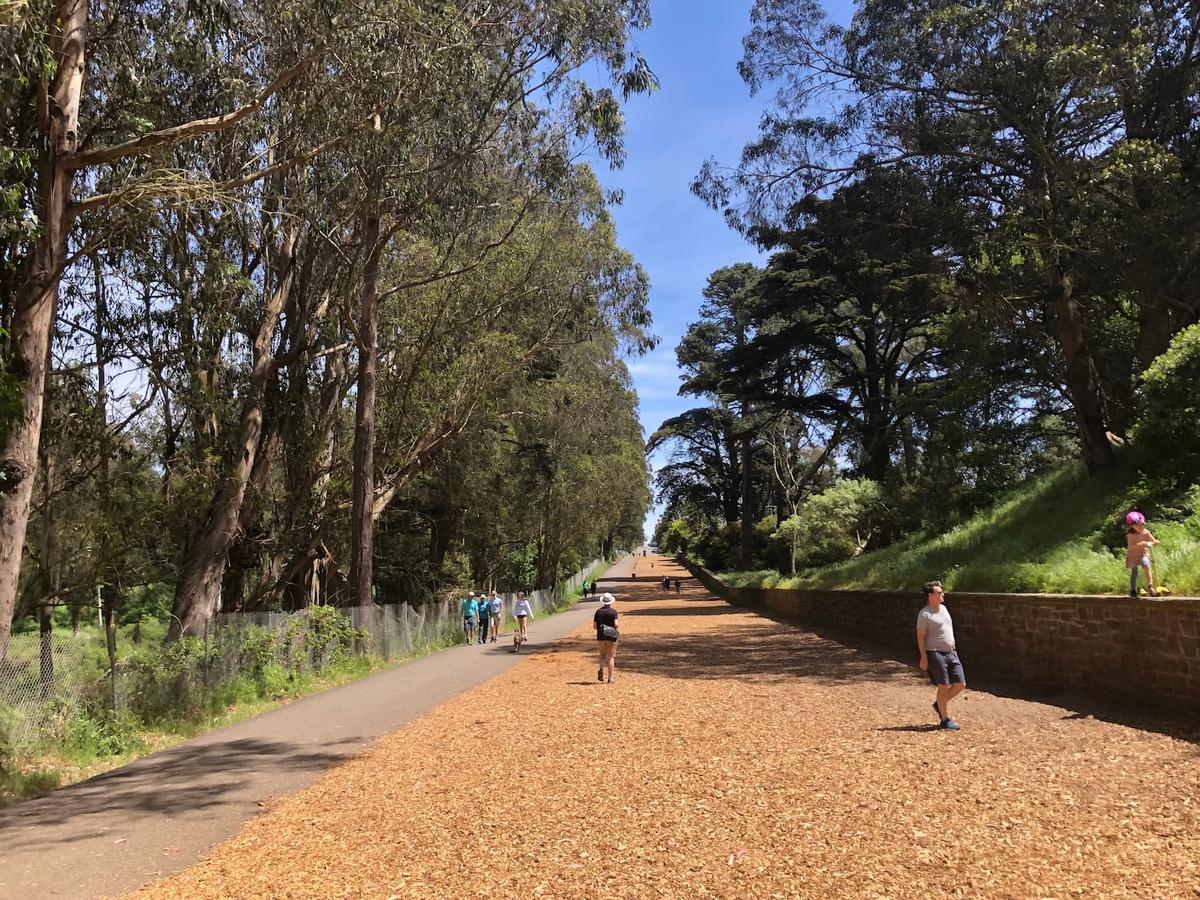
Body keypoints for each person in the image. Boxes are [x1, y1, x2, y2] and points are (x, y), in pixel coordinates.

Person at [916, 580, 966, 731]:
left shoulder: (944, 609)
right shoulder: (924, 614)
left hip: (951, 651)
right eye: (939, 592)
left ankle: (939, 704)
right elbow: (920, 637)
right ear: (930, 596)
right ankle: (945, 719)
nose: (943, 594)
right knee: (943, 685)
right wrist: (923, 656)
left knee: (960, 685)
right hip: (935, 653)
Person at [1125, 511, 1160, 597]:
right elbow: (1130, 546)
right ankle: (1133, 590)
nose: (1140, 527)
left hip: (1143, 553)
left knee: (1146, 564)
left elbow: (1153, 540)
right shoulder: (1130, 535)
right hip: (1133, 555)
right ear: (1132, 526)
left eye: (1141, 525)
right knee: (1134, 572)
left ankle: (1150, 585)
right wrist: (1141, 544)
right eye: (1137, 525)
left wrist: (1155, 542)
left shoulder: (1146, 532)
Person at [594, 592, 619, 683]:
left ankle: (601, 668)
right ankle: (610, 678)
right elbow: (616, 624)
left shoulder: (598, 612)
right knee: (611, 656)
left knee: (602, 655)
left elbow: (594, 626)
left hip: (601, 635)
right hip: (611, 635)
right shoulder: (613, 612)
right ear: (610, 601)